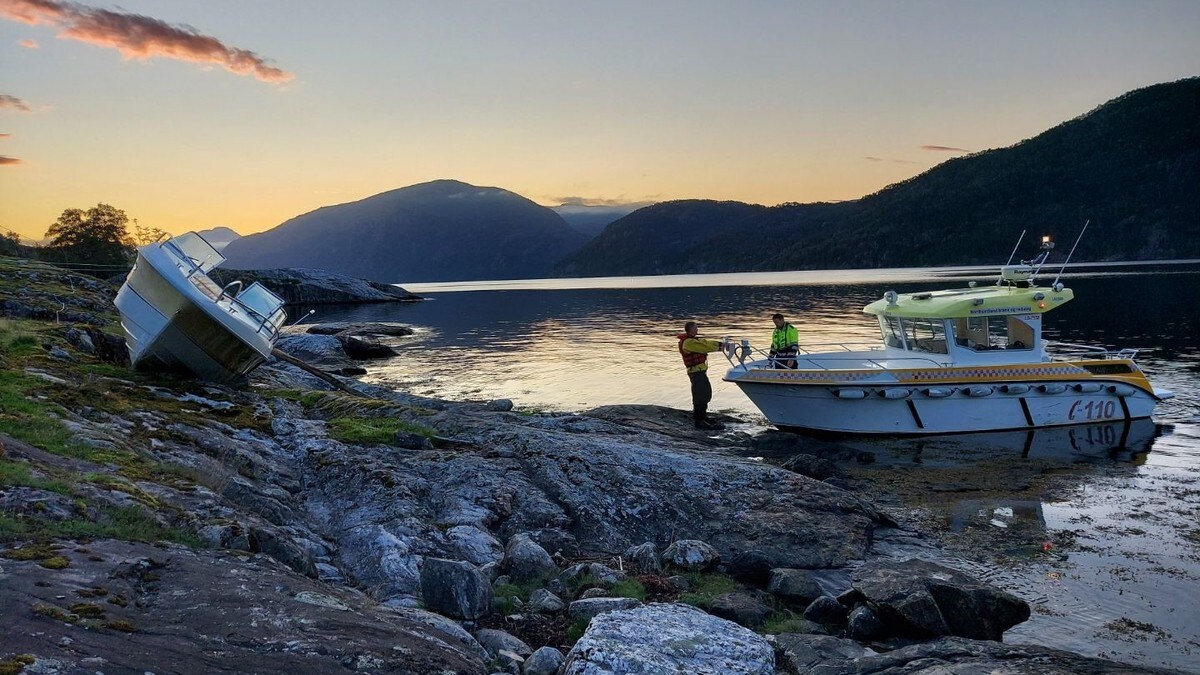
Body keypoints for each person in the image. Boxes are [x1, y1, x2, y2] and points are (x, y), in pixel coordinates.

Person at [677, 321, 727, 430]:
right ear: (690, 329)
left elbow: (705, 342)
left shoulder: (693, 340)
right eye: (695, 328)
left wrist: (720, 343)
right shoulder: (688, 343)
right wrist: (719, 347)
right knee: (700, 395)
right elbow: (703, 347)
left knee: (705, 393)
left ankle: (703, 416)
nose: (697, 330)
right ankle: (699, 420)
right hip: (696, 372)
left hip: (700, 371)